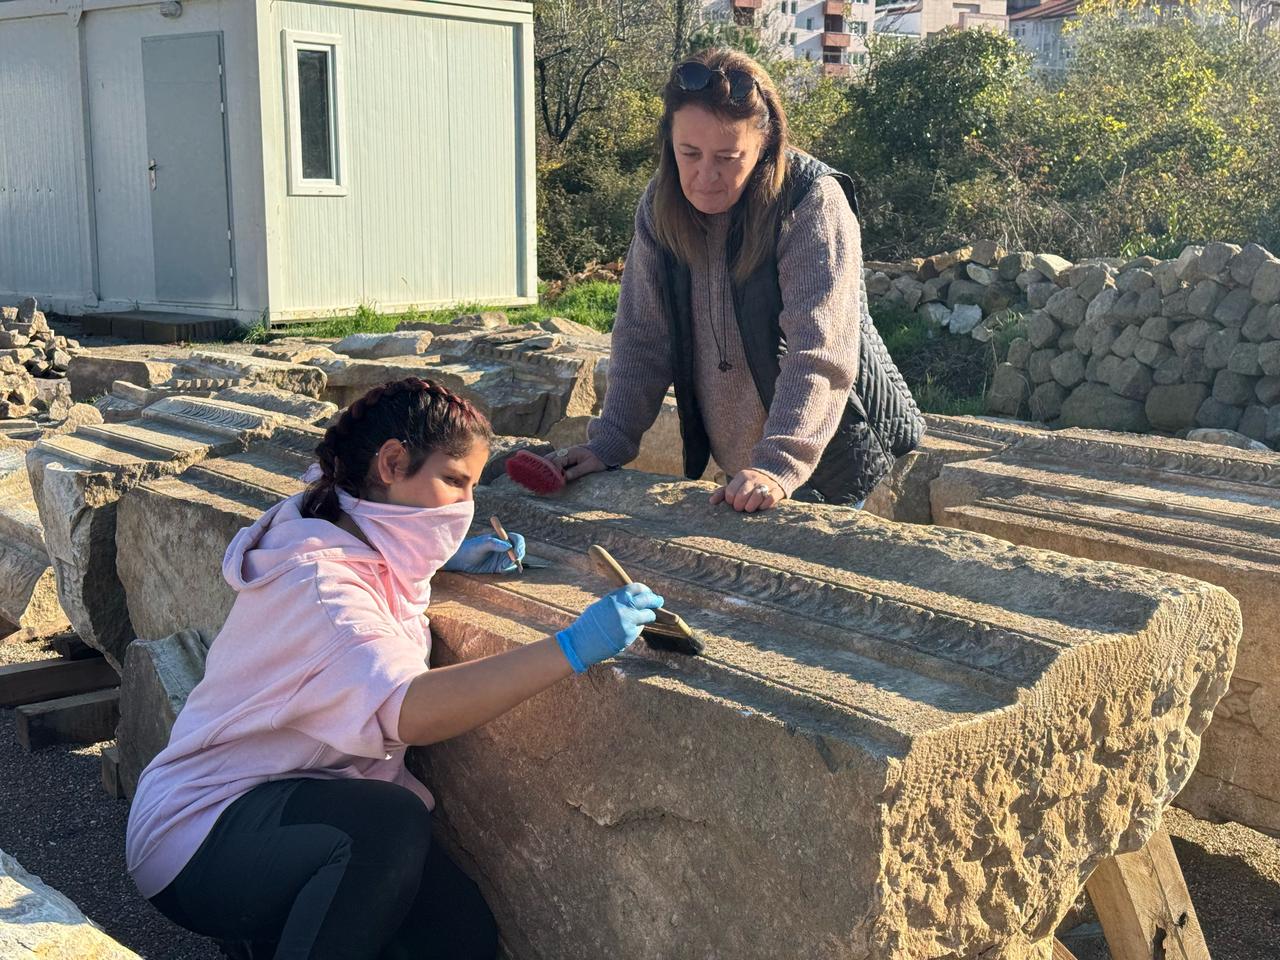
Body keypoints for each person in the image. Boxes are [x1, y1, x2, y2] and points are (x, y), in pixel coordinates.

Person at [125, 377, 665, 960]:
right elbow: (409, 709)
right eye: (454, 481)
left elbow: (348, 524)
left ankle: (270, 936)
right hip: (200, 839)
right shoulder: (322, 592)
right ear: (391, 461)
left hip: (290, 801)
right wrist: (571, 647)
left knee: (458, 936)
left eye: (473, 488)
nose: (465, 507)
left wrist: (428, 560)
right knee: (386, 831)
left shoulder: (331, 514)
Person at [557, 48, 924, 512]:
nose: (705, 176)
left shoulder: (812, 202)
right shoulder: (660, 203)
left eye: (728, 157)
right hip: (745, 464)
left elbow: (820, 350)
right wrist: (608, 443)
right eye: (689, 153)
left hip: (826, 455)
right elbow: (642, 335)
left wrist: (779, 464)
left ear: (765, 146)